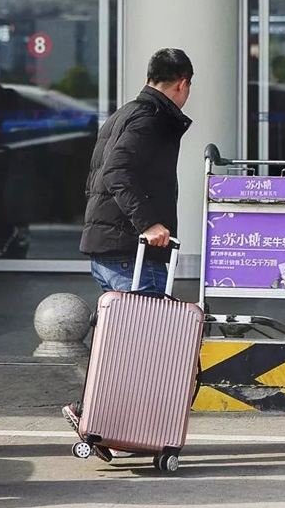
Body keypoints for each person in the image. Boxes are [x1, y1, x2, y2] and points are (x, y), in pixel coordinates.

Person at [62, 48, 194, 455]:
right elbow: (117, 172)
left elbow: (99, 177)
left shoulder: (123, 114)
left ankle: (101, 420)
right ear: (182, 84)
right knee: (145, 345)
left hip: (110, 247)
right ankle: (106, 420)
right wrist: (148, 224)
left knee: (121, 343)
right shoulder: (151, 118)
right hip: (129, 251)